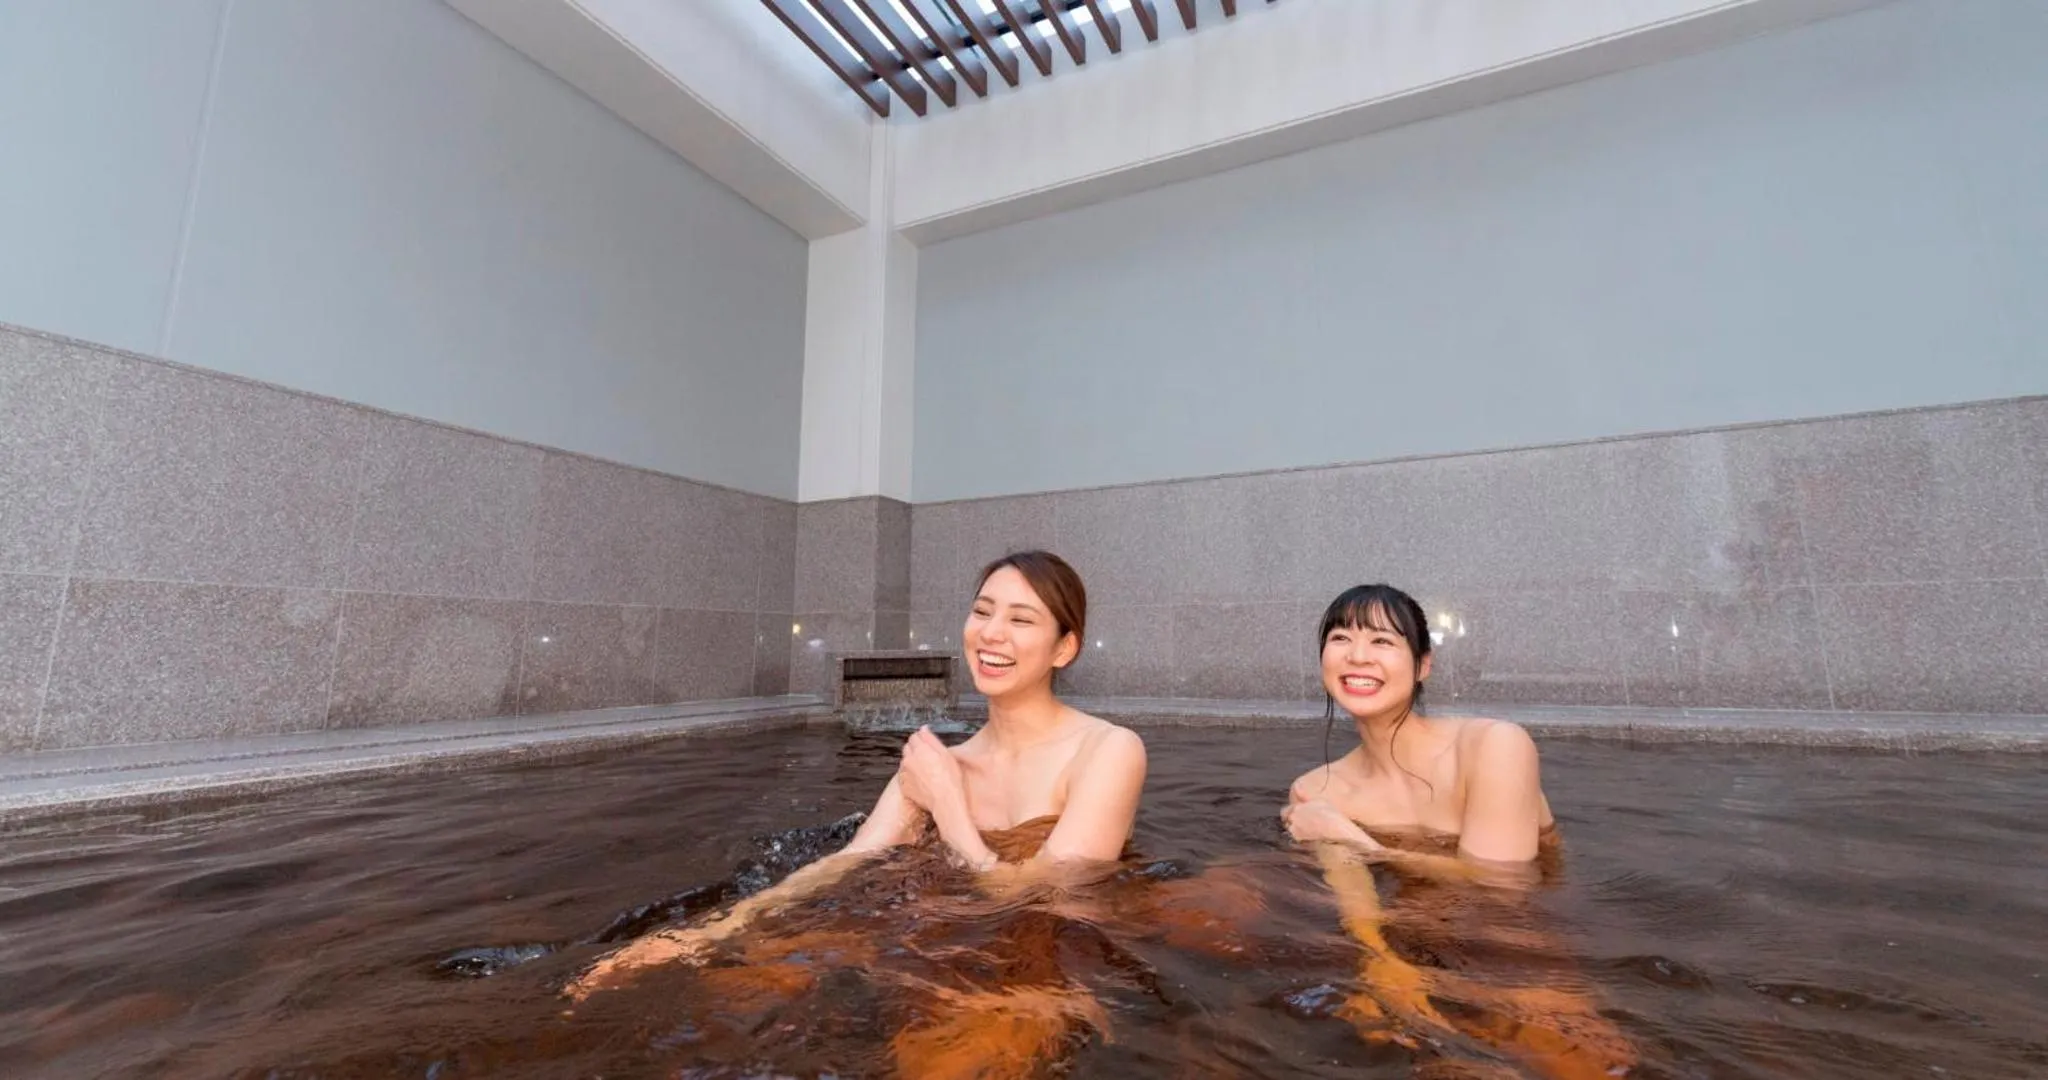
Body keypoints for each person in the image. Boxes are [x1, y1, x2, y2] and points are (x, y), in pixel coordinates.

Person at [568, 550, 1147, 1000]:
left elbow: (1053, 902)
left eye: (1022, 619)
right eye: (981, 610)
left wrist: (948, 808)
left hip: (1047, 969)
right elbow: (849, 862)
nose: (991, 633)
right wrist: (703, 936)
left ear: (1064, 648)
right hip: (943, 943)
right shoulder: (938, 765)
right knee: (747, 986)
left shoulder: (1107, 751)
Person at [1283, 583, 1554, 877]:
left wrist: (1353, 840)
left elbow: (1504, 888)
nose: (1358, 656)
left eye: (1382, 641)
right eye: (1340, 638)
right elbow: (1354, 905)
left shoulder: (1495, 746)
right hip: (1403, 917)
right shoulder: (1316, 791)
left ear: (1423, 665)